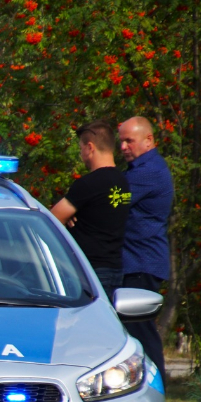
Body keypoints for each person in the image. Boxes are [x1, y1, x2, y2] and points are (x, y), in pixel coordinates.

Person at [50, 120, 132, 295]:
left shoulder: (90, 183)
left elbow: (52, 220)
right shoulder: (123, 182)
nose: (81, 154)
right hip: (116, 268)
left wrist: (69, 214)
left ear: (90, 147)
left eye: (80, 149)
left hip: (90, 270)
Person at [119, 116, 173, 375]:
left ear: (148, 140)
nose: (124, 147)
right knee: (133, 329)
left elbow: (110, 199)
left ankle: (156, 388)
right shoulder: (139, 171)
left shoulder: (147, 172)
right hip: (138, 262)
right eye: (121, 142)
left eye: (129, 141)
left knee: (140, 330)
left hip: (141, 263)